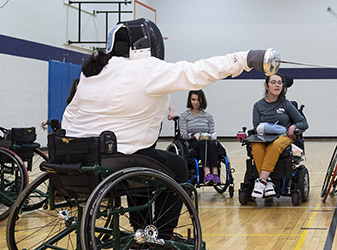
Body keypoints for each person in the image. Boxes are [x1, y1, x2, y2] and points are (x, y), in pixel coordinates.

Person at [61, 18, 279, 241]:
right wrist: (245, 59)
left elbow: (70, 113)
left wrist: (66, 140)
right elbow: (197, 72)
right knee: (176, 167)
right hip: (119, 158)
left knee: (141, 169)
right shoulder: (147, 68)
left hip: (78, 159)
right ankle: (162, 235)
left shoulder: (92, 71)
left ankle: (142, 231)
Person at [250, 73, 309, 198]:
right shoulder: (258, 106)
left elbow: (303, 123)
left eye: (279, 82)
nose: (277, 85)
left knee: (275, 144)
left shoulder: (286, 104)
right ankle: (268, 182)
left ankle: (261, 182)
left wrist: (294, 127)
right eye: (273, 82)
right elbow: (256, 128)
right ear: (266, 86)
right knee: (255, 146)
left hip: (284, 137)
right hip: (264, 137)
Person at [178, 90, 224, 184]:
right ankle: (207, 173)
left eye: (198, 100)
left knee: (211, 143)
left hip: (206, 140)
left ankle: (215, 173)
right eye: (193, 99)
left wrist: (210, 136)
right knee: (204, 144)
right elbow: (183, 135)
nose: (195, 102)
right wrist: (193, 135)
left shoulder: (208, 117)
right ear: (189, 100)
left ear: (202, 100)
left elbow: (212, 133)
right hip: (191, 141)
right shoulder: (184, 116)